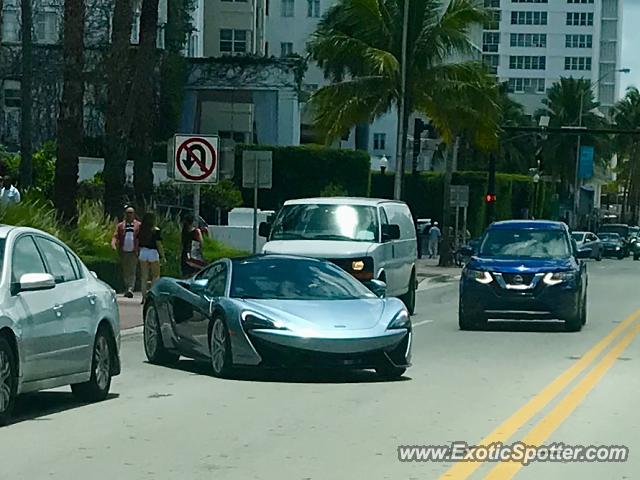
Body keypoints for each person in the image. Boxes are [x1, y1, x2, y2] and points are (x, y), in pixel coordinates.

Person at [112, 206, 141, 298]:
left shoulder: (138, 225)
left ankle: (130, 289)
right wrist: (113, 244)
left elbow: (142, 236)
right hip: (124, 251)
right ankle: (127, 287)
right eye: (128, 213)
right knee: (125, 271)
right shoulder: (121, 225)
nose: (129, 215)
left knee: (132, 270)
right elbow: (115, 236)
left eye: (131, 213)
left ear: (134, 214)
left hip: (134, 251)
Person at [138, 212, 165, 304]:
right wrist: (163, 256)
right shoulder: (155, 230)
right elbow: (158, 244)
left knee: (144, 276)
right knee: (156, 275)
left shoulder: (141, 229)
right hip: (153, 252)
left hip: (143, 251)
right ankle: (152, 295)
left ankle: (143, 297)